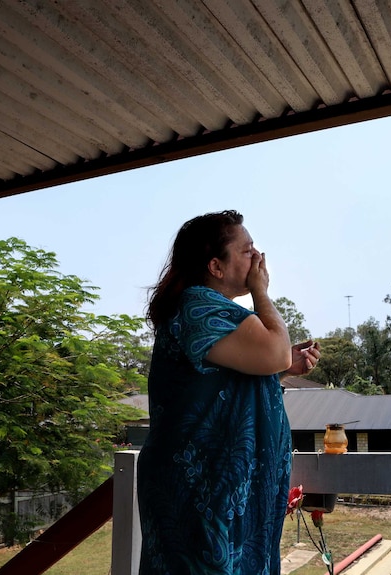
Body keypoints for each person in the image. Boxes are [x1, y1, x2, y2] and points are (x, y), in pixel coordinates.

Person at [137, 210, 320, 575]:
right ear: (216, 267)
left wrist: (279, 370)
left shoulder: (212, 311)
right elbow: (273, 350)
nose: (259, 258)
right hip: (205, 494)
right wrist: (261, 294)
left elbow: (223, 384)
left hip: (228, 494)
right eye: (247, 250)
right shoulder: (199, 308)